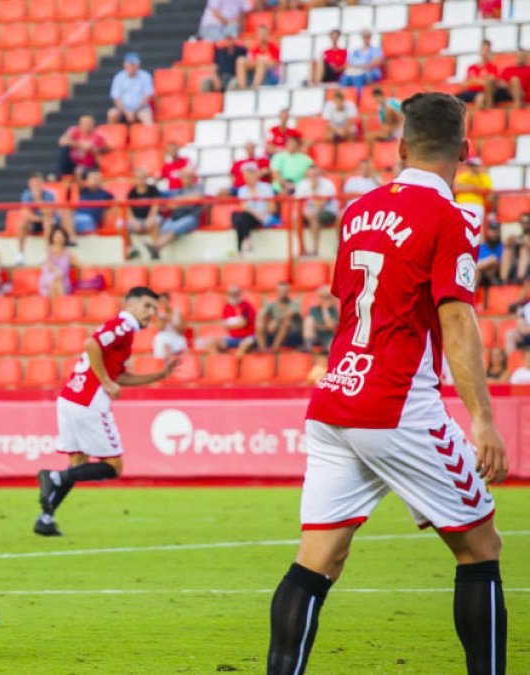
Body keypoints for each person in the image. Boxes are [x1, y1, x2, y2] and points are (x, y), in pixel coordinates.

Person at [268, 92, 508, 675]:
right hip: (398, 405)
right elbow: (455, 316)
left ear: (399, 147)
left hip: (333, 402)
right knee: (481, 548)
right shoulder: (452, 217)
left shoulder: (358, 210)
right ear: (465, 151)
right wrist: (481, 418)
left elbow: (349, 304)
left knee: (318, 557)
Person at [34, 287, 177, 536]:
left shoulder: (125, 332)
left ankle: (45, 518)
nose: (151, 313)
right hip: (89, 402)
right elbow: (91, 344)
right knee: (113, 466)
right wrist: (107, 383)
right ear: (130, 305)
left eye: (154, 308)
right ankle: (54, 477)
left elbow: (119, 375)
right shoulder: (124, 325)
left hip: (70, 398)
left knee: (77, 463)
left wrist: (159, 375)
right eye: (147, 306)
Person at [150, 168, 203, 259]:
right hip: (176, 217)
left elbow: (197, 197)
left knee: (173, 229)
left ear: (193, 178)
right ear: (181, 178)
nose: (187, 179)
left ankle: (156, 247)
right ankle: (156, 248)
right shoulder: (177, 191)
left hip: (191, 217)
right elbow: (171, 205)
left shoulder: (198, 187)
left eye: (189, 176)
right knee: (162, 227)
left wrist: (179, 200)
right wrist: (186, 200)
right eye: (185, 177)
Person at [232, 162, 279, 254]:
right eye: (245, 174)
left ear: (255, 174)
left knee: (240, 218)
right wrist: (254, 213)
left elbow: (272, 208)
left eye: (249, 174)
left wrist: (257, 213)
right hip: (249, 217)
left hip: (263, 217)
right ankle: (246, 239)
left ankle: (240, 248)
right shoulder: (242, 190)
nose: (246, 177)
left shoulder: (266, 188)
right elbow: (243, 209)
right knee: (236, 216)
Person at [15, 172, 60, 265]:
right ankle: (20, 254)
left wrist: (38, 200)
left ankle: (47, 255)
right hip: (36, 221)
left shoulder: (49, 195)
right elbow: (25, 214)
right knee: (22, 223)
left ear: (42, 184)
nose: (36, 185)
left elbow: (50, 213)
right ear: (29, 184)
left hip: (49, 223)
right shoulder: (26, 195)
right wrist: (40, 219)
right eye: (33, 183)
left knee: (47, 222)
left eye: (38, 183)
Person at [294, 165, 339, 257]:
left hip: (328, 212)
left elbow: (320, 205)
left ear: (319, 174)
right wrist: (304, 212)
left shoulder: (327, 184)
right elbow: (297, 204)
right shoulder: (302, 184)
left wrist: (313, 189)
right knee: (294, 217)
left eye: (314, 174)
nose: (313, 177)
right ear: (307, 175)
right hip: (309, 212)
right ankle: (302, 248)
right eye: (310, 174)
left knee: (314, 217)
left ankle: (315, 250)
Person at [107, 53, 154, 126]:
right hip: (123, 110)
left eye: (134, 65)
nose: (132, 67)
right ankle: (111, 137)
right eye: (130, 65)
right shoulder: (119, 77)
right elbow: (116, 98)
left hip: (141, 109)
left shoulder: (146, 76)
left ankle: (149, 137)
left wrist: (135, 111)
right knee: (112, 114)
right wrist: (126, 112)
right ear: (125, 65)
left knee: (147, 119)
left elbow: (147, 97)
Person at [57, 114, 109, 180]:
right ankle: (60, 175)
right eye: (84, 123)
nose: (86, 125)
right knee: (65, 148)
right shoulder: (74, 130)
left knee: (81, 171)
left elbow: (91, 148)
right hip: (73, 163)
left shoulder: (97, 135)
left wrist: (72, 143)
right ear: (80, 124)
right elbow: (62, 141)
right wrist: (80, 144)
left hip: (88, 166)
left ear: (93, 125)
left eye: (88, 123)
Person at [458, 41, 508, 110]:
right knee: (451, 100)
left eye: (487, 50)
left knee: (480, 98)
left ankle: (477, 119)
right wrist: (480, 81)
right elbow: (465, 83)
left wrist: (474, 81)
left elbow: (490, 83)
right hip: (469, 92)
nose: (485, 52)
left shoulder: (493, 67)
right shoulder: (471, 67)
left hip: (482, 92)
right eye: (483, 49)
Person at [256, 282, 305, 352]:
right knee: (260, 322)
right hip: (275, 332)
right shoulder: (272, 304)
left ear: (288, 291)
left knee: (286, 322)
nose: (282, 292)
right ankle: (263, 350)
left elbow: (290, 314)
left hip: (292, 334)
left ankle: (274, 349)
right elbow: (261, 313)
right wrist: (266, 321)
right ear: (277, 291)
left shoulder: (295, 303)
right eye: (280, 290)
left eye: (284, 291)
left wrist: (276, 321)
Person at [63, 170, 114, 235]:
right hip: (76, 217)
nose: (94, 180)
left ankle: (71, 238)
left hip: (90, 220)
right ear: (87, 179)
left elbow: (116, 205)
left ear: (100, 179)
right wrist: (78, 174)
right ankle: (71, 238)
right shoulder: (83, 190)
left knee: (68, 221)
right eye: (92, 177)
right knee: (65, 213)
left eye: (96, 177)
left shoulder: (106, 194)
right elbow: (77, 181)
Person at [125, 167, 162, 256]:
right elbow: (128, 209)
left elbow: (155, 207)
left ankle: (155, 249)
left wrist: (150, 219)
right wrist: (133, 221)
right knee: (122, 225)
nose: (141, 180)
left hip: (150, 218)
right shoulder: (131, 192)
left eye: (143, 177)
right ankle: (132, 248)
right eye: (138, 178)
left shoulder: (153, 190)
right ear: (135, 179)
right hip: (137, 220)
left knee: (155, 221)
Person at [214, 285, 256, 355]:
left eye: (235, 293)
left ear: (239, 294)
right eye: (230, 293)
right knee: (214, 344)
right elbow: (226, 326)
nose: (233, 295)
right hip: (233, 338)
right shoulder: (226, 308)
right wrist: (237, 323)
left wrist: (232, 324)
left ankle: (238, 363)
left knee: (244, 345)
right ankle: (225, 363)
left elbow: (243, 323)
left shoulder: (246, 306)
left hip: (248, 337)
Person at [236, 25, 280, 91]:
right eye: (260, 34)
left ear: (267, 34)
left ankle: (255, 87)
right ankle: (242, 88)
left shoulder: (274, 46)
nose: (262, 36)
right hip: (255, 70)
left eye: (264, 34)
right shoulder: (254, 47)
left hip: (270, 72)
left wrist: (264, 60)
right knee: (241, 60)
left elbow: (276, 63)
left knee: (261, 61)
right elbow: (251, 61)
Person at [39, 227, 76, 298]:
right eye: (57, 235)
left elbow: (80, 265)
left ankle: (58, 307)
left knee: (57, 284)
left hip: (63, 282)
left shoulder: (68, 254)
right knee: (54, 285)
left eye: (61, 235)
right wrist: (58, 271)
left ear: (65, 238)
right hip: (48, 281)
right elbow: (49, 265)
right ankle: (61, 307)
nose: (59, 237)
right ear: (52, 238)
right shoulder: (48, 251)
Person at [153, 292, 189, 359]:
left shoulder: (178, 314)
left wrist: (171, 321)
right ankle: (168, 360)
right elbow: (159, 329)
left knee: (164, 340)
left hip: (177, 338)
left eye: (164, 302)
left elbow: (182, 330)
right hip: (164, 338)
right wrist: (163, 321)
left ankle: (169, 361)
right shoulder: (160, 315)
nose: (163, 304)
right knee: (160, 338)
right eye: (161, 302)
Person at [303, 285, 338, 353]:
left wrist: (325, 310)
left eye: (327, 297)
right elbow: (313, 325)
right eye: (323, 297)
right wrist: (323, 326)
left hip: (328, 337)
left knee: (331, 345)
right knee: (308, 320)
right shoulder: (314, 309)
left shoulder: (333, 310)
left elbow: (331, 326)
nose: (325, 300)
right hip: (316, 336)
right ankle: (308, 345)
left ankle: (325, 352)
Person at [500, 212, 530, 283]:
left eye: (527, 222)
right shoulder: (519, 236)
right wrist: (509, 242)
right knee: (507, 250)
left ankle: (520, 279)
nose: (525, 225)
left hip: (527, 267)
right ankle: (503, 281)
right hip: (516, 264)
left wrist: (526, 242)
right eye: (523, 222)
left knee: (524, 250)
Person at [503, 283, 530, 355]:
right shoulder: (526, 306)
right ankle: (512, 361)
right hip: (526, 334)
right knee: (510, 335)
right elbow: (521, 327)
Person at [477, 222, 504, 287]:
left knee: (493, 259)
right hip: (481, 273)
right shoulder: (482, 246)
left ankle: (475, 267)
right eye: (491, 231)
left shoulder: (501, 247)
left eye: (495, 231)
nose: (493, 234)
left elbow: (498, 262)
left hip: (493, 273)